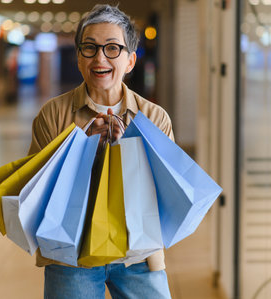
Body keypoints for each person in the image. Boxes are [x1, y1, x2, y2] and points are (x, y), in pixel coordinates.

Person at [28, 4, 173, 299]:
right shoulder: (52, 115)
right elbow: (35, 192)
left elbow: (168, 192)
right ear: (79, 58)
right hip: (71, 253)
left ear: (130, 60)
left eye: (112, 48)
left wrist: (129, 150)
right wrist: (80, 150)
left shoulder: (154, 118)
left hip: (138, 253)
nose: (100, 58)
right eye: (90, 48)